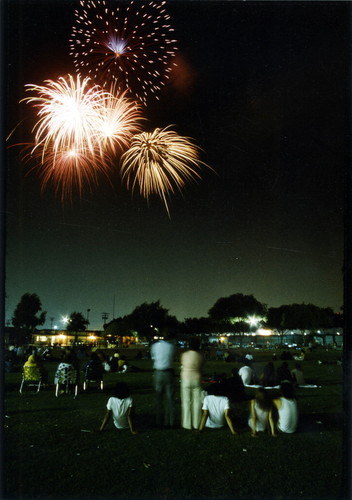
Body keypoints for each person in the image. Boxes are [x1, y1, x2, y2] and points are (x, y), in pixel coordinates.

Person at [150, 331, 176, 428]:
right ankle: (170, 422)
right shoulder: (171, 346)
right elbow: (172, 358)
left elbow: (153, 357)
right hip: (168, 372)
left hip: (158, 372)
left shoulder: (155, 346)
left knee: (158, 398)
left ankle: (158, 421)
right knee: (170, 399)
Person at [180, 337, 203, 430]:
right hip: (196, 378)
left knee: (186, 402)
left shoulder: (184, 355)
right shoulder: (200, 356)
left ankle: (187, 424)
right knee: (197, 402)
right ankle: (197, 423)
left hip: (186, 378)